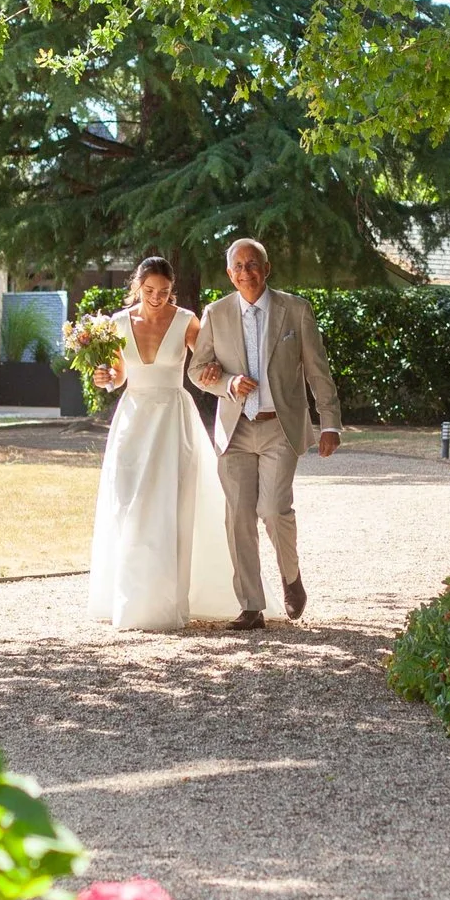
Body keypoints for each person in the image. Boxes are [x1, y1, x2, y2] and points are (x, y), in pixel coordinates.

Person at [187, 238, 342, 630]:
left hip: (280, 427)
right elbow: (197, 370)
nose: (245, 272)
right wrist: (225, 382)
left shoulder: (296, 310)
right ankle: (252, 606)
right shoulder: (215, 313)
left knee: (273, 511)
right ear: (229, 274)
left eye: (252, 265)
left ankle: (291, 578)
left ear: (266, 268)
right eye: (238, 266)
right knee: (238, 516)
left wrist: (329, 423)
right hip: (235, 430)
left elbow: (317, 371)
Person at [86, 257, 241, 630]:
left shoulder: (187, 320)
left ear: (174, 289)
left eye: (165, 291)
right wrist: (103, 376)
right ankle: (132, 599)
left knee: (172, 504)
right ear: (137, 286)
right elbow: (118, 375)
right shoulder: (117, 324)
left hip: (173, 417)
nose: (157, 298)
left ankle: (170, 602)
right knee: (129, 503)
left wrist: (215, 370)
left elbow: (209, 361)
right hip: (134, 419)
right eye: (150, 291)